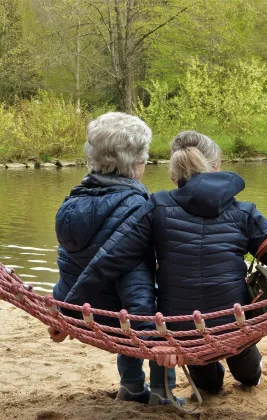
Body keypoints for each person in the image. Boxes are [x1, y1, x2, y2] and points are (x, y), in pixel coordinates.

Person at [66, 130, 267, 395]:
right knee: (245, 363)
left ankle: (213, 371)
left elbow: (110, 260)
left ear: (174, 173)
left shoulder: (156, 206)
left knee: (208, 383)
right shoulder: (244, 212)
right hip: (234, 324)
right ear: (216, 165)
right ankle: (247, 369)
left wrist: (66, 311)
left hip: (182, 333)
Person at [49, 112, 183, 406]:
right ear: (136, 164)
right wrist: (152, 338)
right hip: (123, 315)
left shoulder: (71, 202)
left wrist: (62, 310)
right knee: (165, 302)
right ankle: (163, 391)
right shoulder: (138, 206)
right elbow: (137, 281)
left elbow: (70, 264)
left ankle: (131, 386)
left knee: (126, 307)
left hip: (84, 310)